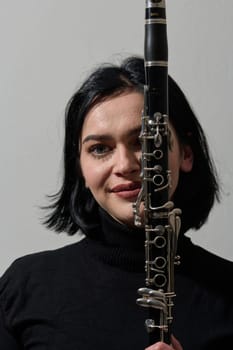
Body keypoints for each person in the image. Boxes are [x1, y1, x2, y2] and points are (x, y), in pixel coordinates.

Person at [0, 56, 233, 350]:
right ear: (80, 169)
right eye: (100, 149)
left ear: (186, 153)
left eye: (143, 142)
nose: (124, 164)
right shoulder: (24, 288)